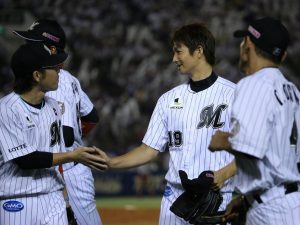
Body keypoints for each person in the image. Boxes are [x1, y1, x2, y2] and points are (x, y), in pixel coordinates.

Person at [96, 23, 237, 225]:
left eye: (178, 52)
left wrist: (224, 175)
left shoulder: (234, 95)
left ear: (199, 51)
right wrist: (112, 162)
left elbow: (252, 149)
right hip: (174, 200)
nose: (174, 59)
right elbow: (148, 150)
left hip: (217, 199)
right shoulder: (168, 99)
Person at [0, 42, 106, 225]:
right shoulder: (7, 109)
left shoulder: (54, 107)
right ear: (37, 75)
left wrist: (65, 201)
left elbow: (57, 163)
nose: (59, 71)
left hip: (53, 199)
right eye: (53, 67)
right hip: (17, 202)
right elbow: (25, 160)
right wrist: (74, 155)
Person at [208, 17, 300, 225]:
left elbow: (250, 147)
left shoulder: (253, 84)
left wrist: (222, 141)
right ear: (283, 55)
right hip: (288, 202)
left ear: (247, 44)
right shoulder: (292, 91)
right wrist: (245, 200)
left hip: (272, 210)